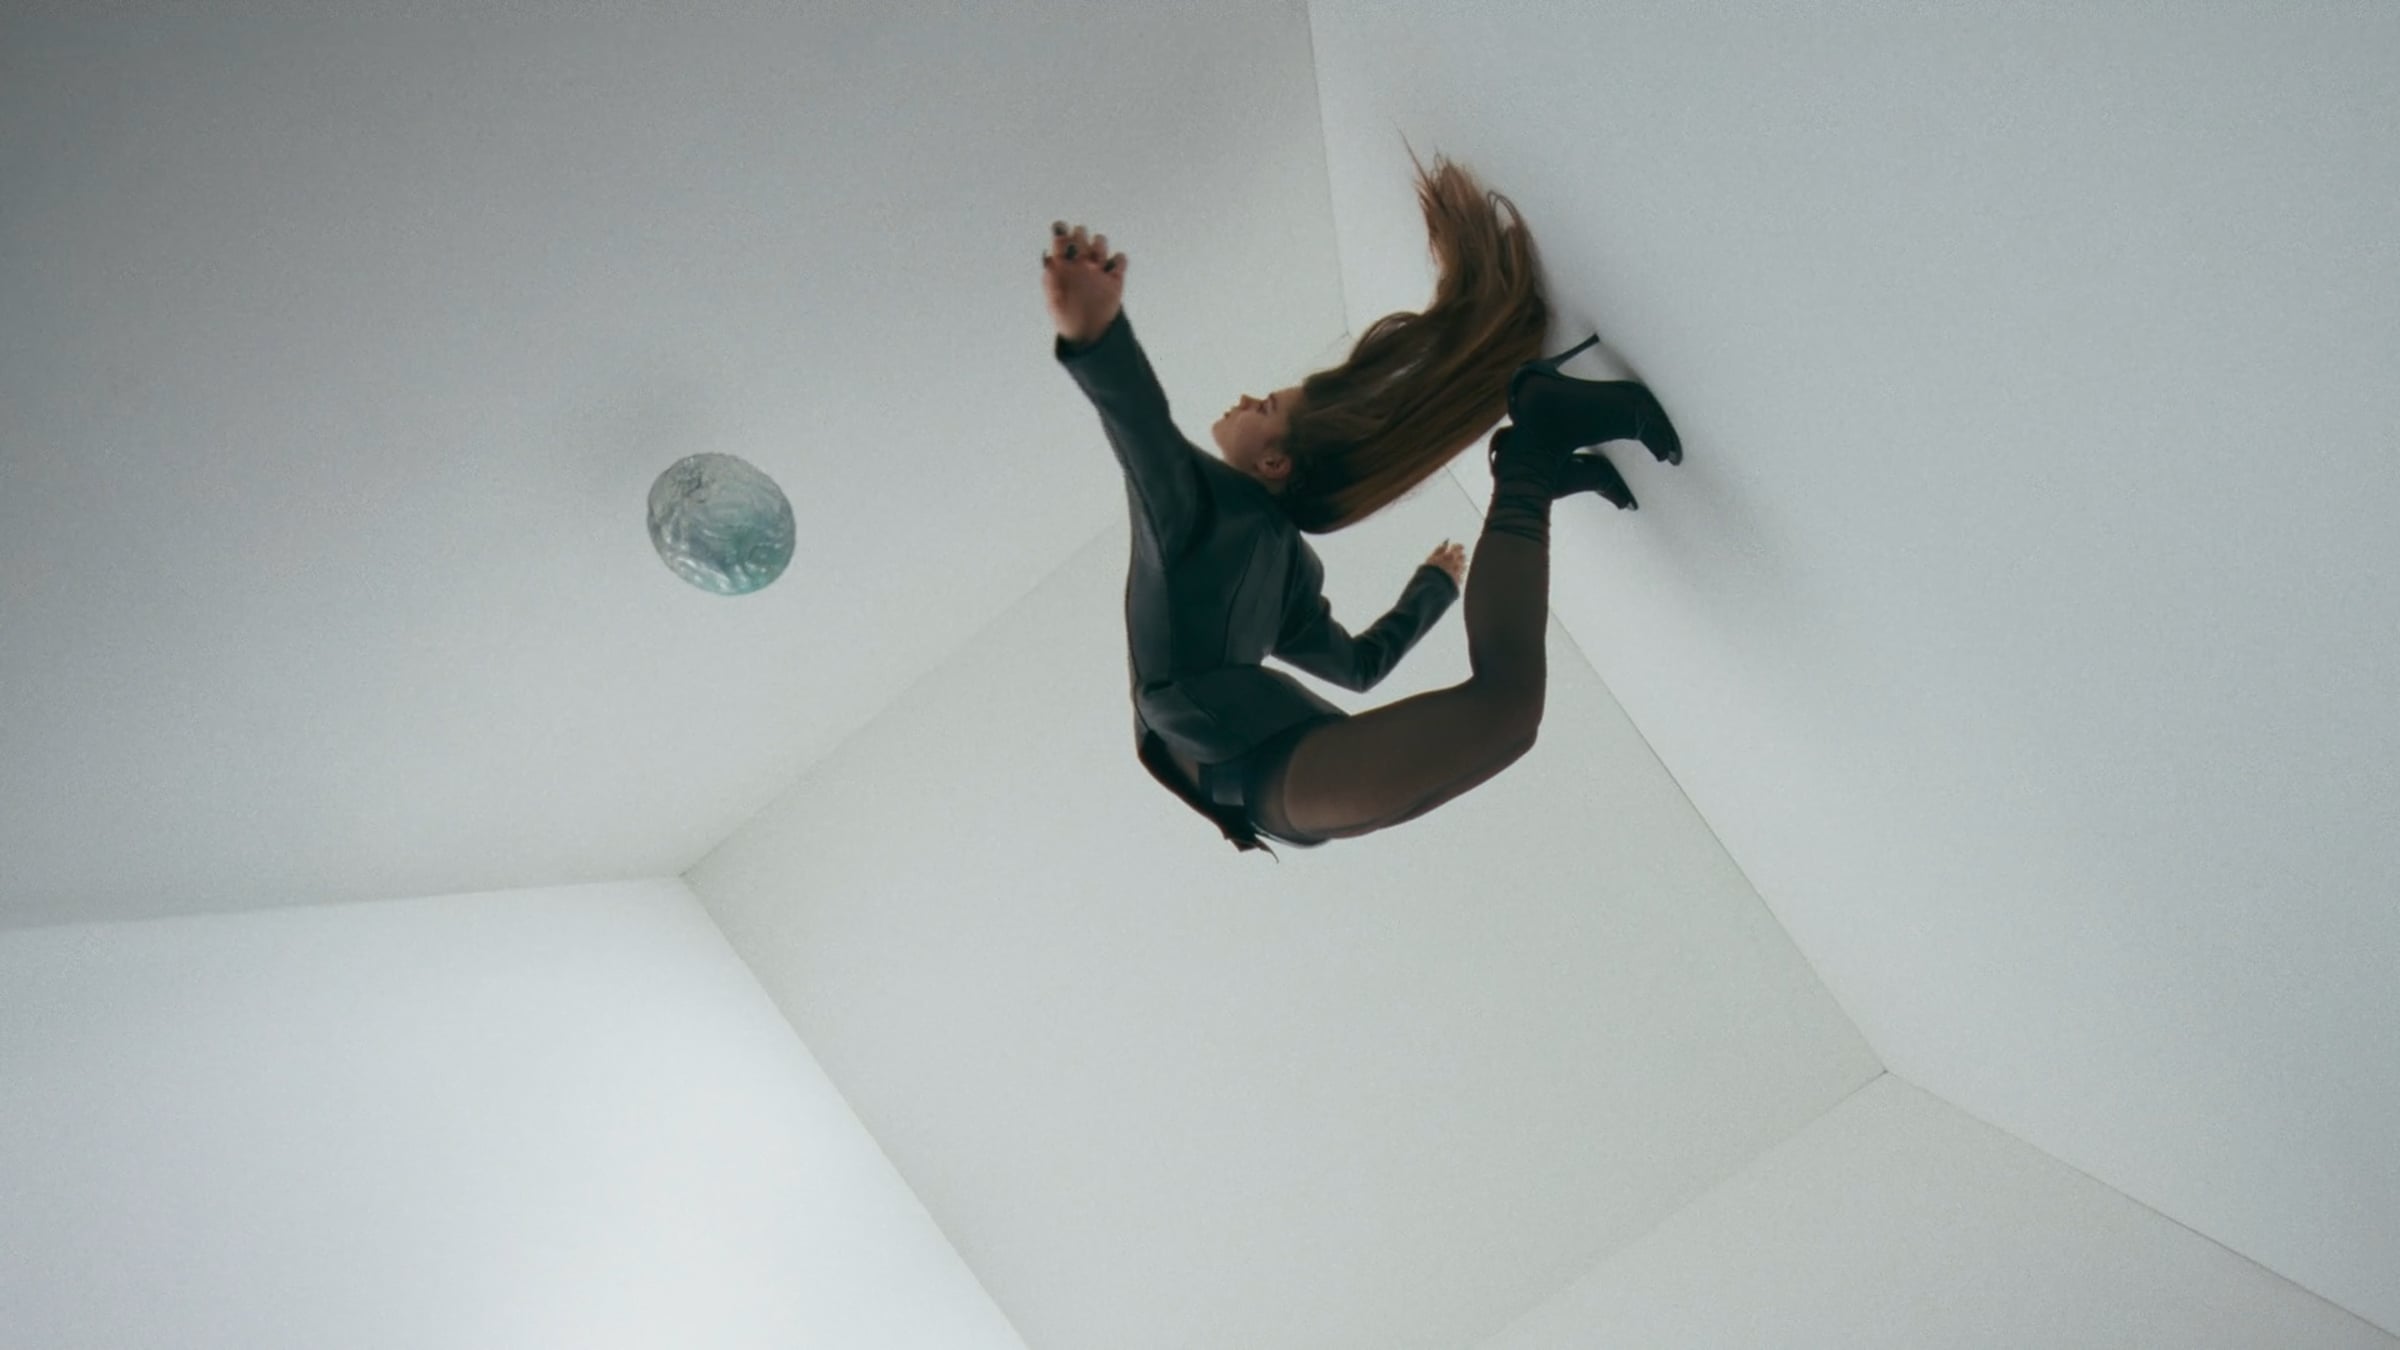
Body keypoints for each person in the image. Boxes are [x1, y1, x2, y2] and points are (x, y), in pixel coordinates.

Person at [1047, 151, 1680, 857]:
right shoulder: (1249, 540)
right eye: (1266, 401)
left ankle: (1536, 454)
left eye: (1264, 406)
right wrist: (1431, 588)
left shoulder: (1223, 526)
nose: (1247, 399)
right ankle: (1535, 464)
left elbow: (1142, 431)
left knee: (1510, 712)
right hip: (1268, 775)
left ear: (1276, 464)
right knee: (1512, 718)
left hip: (1265, 771)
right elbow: (1359, 666)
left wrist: (1096, 337)